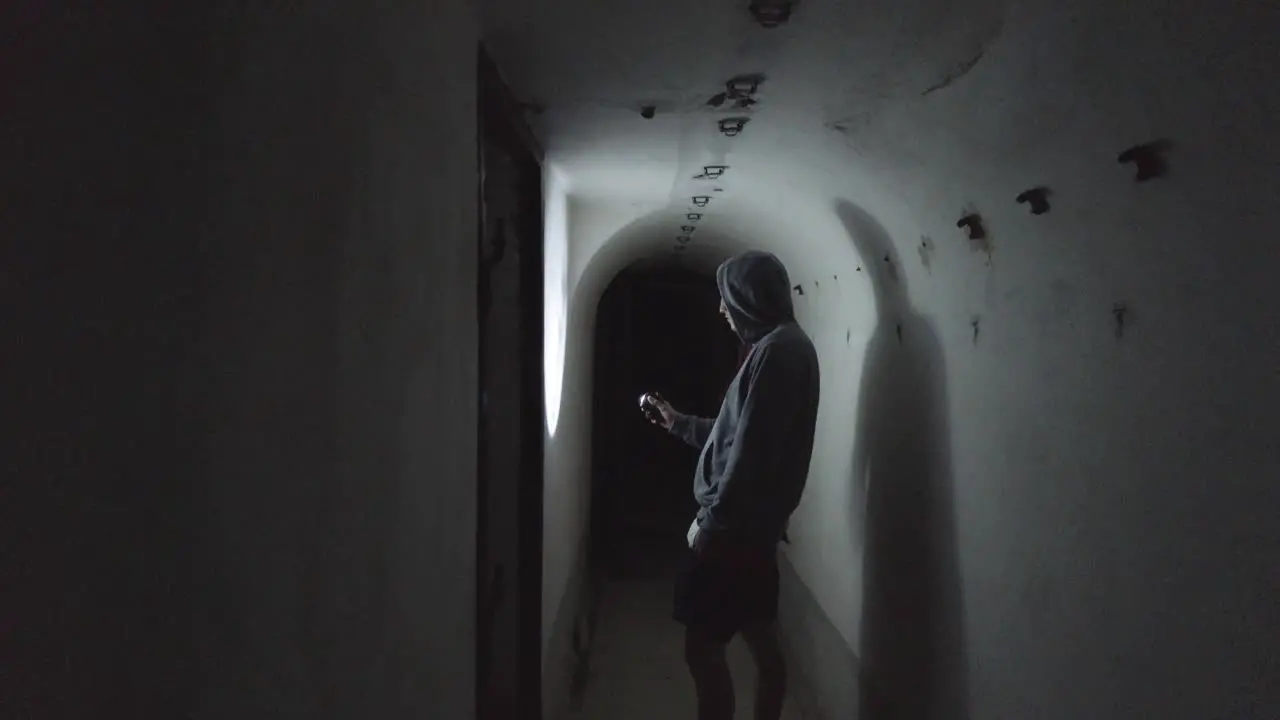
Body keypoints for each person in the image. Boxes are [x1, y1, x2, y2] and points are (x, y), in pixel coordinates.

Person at [643, 250, 821, 720]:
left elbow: (753, 455)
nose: (721, 310)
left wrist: (713, 526)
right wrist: (678, 423)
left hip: (736, 534)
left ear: (747, 298)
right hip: (753, 531)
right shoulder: (779, 346)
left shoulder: (778, 353)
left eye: (727, 299)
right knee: (761, 642)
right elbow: (735, 437)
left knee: (703, 651)